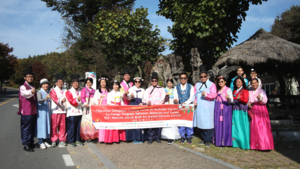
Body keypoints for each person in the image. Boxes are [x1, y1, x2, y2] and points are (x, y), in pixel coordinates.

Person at [193, 66, 217, 147]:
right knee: (201, 123)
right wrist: (195, 101)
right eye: (201, 77)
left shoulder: (212, 84)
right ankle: (203, 138)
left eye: (204, 76)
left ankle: (208, 140)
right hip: (200, 107)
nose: (203, 78)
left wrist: (206, 94)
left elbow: (214, 95)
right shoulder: (197, 84)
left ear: (207, 76)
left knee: (208, 123)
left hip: (208, 107)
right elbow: (194, 94)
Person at [248, 78, 274, 150]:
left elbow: (265, 101)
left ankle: (264, 145)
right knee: (254, 126)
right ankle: (255, 145)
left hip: (260, 109)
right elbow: (248, 100)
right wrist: (248, 104)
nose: (254, 84)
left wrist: (260, 98)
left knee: (262, 127)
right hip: (253, 109)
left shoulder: (261, 91)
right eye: (252, 83)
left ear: (258, 83)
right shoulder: (250, 91)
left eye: (255, 83)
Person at [18, 66, 37, 152]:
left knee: (32, 127)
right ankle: (26, 144)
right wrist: (31, 91)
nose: (30, 78)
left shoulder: (31, 85)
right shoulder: (23, 86)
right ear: (25, 77)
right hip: (26, 111)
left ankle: (31, 141)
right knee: (26, 128)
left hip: (33, 111)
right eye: (28, 76)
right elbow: (25, 94)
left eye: (31, 76)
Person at [144, 72, 166, 144]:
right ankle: (150, 137)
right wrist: (148, 102)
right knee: (151, 123)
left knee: (158, 123)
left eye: (155, 81)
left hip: (158, 108)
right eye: (153, 81)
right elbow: (145, 99)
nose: (154, 82)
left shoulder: (161, 89)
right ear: (151, 82)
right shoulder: (147, 89)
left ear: (157, 81)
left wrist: (156, 104)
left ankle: (157, 137)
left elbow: (162, 98)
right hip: (150, 109)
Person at [173, 73, 194, 144]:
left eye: (184, 78)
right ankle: (182, 136)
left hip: (188, 107)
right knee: (181, 122)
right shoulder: (176, 87)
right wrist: (175, 100)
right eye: (181, 78)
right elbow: (175, 96)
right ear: (179, 79)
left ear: (187, 79)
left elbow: (192, 97)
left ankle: (189, 136)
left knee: (189, 122)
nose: (183, 79)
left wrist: (186, 103)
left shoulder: (190, 86)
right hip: (180, 107)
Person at [213, 76, 233, 148]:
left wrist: (228, 99)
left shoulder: (228, 90)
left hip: (225, 109)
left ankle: (224, 141)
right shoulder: (218, 91)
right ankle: (218, 140)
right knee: (218, 124)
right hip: (218, 108)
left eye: (222, 81)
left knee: (225, 124)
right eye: (219, 82)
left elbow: (232, 100)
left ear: (225, 82)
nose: (220, 83)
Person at [126, 77, 148, 144]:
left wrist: (143, 103)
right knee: (133, 121)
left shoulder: (143, 90)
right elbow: (128, 98)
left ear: (140, 83)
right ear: (134, 82)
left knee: (140, 121)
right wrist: (131, 96)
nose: (137, 83)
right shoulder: (131, 89)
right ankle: (134, 138)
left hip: (140, 105)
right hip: (133, 104)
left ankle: (140, 137)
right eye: (136, 82)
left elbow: (145, 98)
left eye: (139, 82)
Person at [65, 74, 84, 147]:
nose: (76, 84)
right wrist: (77, 99)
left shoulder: (80, 91)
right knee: (72, 127)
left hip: (79, 111)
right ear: (72, 84)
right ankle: (71, 140)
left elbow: (82, 100)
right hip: (72, 112)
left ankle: (78, 139)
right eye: (74, 83)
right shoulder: (69, 92)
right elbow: (71, 101)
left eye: (77, 83)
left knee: (79, 127)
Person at [232, 76, 250, 150]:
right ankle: (236, 143)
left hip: (241, 111)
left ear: (242, 82)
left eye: (239, 82)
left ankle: (243, 143)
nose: (237, 83)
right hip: (235, 110)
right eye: (236, 82)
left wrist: (240, 98)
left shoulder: (245, 91)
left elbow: (245, 100)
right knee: (236, 127)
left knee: (242, 127)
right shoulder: (234, 91)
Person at [161, 78, 181, 145]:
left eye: (170, 83)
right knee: (166, 120)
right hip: (166, 106)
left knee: (172, 121)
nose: (169, 84)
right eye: (168, 83)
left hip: (172, 105)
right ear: (166, 83)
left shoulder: (174, 89)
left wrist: (176, 100)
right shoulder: (163, 89)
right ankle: (165, 135)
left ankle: (172, 136)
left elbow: (176, 97)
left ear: (172, 83)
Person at [50, 74, 68, 147]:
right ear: (56, 83)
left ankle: (62, 140)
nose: (60, 83)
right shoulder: (53, 90)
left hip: (63, 111)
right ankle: (54, 140)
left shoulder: (66, 90)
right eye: (59, 82)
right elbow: (54, 99)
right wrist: (61, 100)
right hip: (55, 111)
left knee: (62, 126)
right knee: (54, 126)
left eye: (61, 82)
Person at [80, 78, 98, 142]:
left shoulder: (94, 90)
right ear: (86, 83)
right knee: (86, 121)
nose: (89, 84)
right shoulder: (83, 89)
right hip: (87, 106)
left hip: (92, 106)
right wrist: (85, 103)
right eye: (87, 82)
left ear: (92, 83)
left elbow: (96, 98)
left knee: (92, 120)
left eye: (90, 82)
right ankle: (87, 136)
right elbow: (82, 97)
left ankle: (93, 135)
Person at [36, 78, 52, 149]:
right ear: (41, 85)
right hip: (41, 111)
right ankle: (40, 141)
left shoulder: (47, 92)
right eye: (44, 84)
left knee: (46, 125)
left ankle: (45, 140)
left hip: (47, 111)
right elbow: (39, 100)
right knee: (41, 126)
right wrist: (46, 98)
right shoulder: (39, 92)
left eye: (47, 84)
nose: (46, 85)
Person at [93, 77, 110, 143]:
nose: (103, 83)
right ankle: (102, 138)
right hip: (101, 108)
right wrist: (98, 105)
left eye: (104, 82)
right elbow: (95, 100)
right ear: (100, 83)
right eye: (101, 82)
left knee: (107, 122)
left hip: (107, 108)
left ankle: (107, 137)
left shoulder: (108, 90)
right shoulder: (98, 91)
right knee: (101, 122)